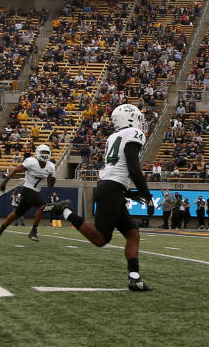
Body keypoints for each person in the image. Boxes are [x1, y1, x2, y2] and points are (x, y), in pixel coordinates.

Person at [56, 104, 154, 292]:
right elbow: (133, 167)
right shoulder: (133, 133)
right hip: (111, 188)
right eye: (138, 117)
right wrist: (147, 195)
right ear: (130, 119)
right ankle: (66, 211)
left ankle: (134, 277)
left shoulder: (113, 137)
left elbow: (117, 169)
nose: (141, 122)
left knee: (132, 233)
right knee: (100, 239)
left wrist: (129, 192)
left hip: (111, 187)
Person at [0, 144, 57, 245]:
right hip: (27, 189)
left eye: (46, 153)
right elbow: (15, 170)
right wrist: (5, 181)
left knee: (17, 214)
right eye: (43, 153)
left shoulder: (51, 166)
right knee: (42, 206)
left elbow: (49, 185)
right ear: (38, 153)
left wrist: (52, 182)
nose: (44, 155)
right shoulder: (31, 162)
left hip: (35, 192)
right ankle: (33, 231)